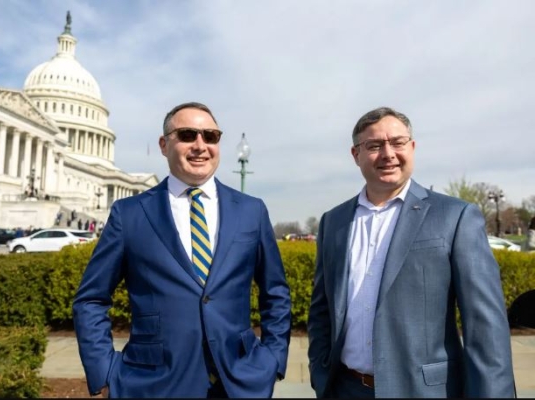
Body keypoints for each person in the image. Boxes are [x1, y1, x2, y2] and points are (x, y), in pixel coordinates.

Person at [73, 101, 291, 398]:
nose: (200, 145)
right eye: (188, 135)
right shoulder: (130, 214)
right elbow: (91, 299)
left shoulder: (251, 211)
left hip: (240, 381)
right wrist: (104, 370)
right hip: (152, 383)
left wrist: (273, 360)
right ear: (164, 145)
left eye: (210, 136)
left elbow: (275, 292)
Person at [307, 107, 515, 398]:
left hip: (425, 391)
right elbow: (321, 310)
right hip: (345, 388)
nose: (388, 153)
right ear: (356, 155)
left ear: (412, 147)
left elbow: (485, 328)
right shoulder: (334, 222)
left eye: (398, 142)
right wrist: (320, 371)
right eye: (374, 145)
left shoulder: (455, 217)